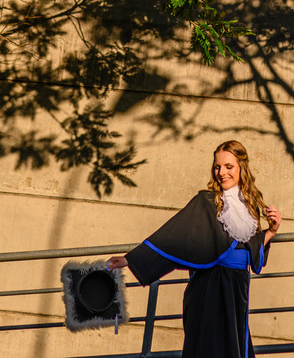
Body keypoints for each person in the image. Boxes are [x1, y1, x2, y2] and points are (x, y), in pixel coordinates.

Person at [107, 139, 282, 358]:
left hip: (237, 286)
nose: (221, 172)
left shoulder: (251, 205)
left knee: (235, 347)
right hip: (208, 287)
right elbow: (173, 238)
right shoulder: (206, 202)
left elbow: (250, 249)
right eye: (217, 166)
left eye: (229, 166)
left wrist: (271, 232)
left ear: (241, 168)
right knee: (208, 348)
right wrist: (129, 260)